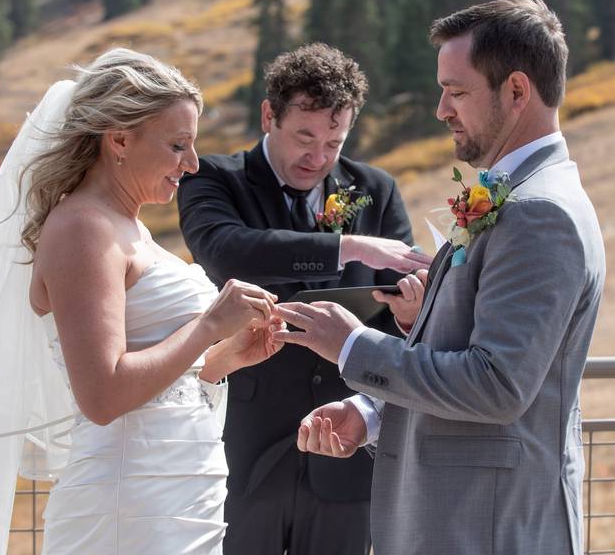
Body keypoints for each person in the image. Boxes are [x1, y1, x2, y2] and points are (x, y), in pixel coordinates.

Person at [0, 48, 283, 555]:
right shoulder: (83, 228)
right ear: (120, 139)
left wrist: (222, 359)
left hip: (178, 490)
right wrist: (208, 326)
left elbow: (152, 377)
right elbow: (103, 395)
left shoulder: (130, 227)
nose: (192, 164)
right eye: (178, 145)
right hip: (129, 501)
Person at [274, 0, 606, 555]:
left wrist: (354, 346)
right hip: (458, 518)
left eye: (456, 91)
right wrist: (370, 413)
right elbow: (460, 349)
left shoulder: (539, 213)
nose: (441, 109)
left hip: (488, 527)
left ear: (517, 91)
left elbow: (497, 386)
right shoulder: (517, 196)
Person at [177, 43, 432, 555]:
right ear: (269, 115)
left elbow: (397, 309)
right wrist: (346, 246)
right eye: (305, 137)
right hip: (243, 448)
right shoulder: (213, 178)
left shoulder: (375, 190)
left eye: (334, 143)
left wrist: (409, 314)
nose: (318, 158)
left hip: (344, 449)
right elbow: (226, 252)